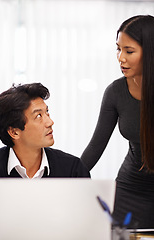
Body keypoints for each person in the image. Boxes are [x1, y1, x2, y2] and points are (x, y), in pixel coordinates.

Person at [0, 83, 90, 240]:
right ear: (14, 131)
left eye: (47, 113)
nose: (49, 122)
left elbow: (87, 222)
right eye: (38, 116)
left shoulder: (73, 168)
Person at [81, 15, 154, 229]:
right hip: (130, 189)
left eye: (129, 51)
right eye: (118, 49)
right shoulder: (115, 92)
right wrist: (66, 179)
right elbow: (95, 147)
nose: (120, 58)